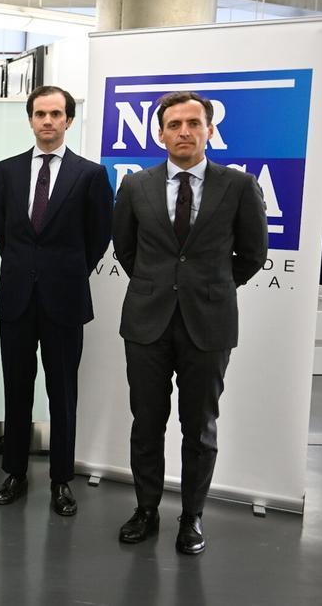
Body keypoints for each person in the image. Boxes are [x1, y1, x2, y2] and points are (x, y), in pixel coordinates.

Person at [113, 91, 267, 555]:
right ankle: (145, 509)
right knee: (147, 422)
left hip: (209, 323)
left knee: (199, 427)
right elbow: (126, 250)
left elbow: (253, 254)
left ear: (209, 131)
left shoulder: (238, 186)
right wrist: (159, 285)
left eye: (193, 123)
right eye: (174, 124)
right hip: (146, 322)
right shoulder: (136, 186)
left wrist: (209, 288)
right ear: (160, 133)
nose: (184, 131)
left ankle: (192, 517)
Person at [0, 86, 113, 516]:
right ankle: (15, 473)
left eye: (56, 114)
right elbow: (5, 234)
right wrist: (29, 270)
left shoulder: (90, 175)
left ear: (68, 121)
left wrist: (65, 271)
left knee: (62, 394)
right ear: (30, 120)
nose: (47, 121)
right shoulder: (6, 171)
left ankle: (62, 480)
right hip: (18, 299)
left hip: (64, 300)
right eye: (40, 113)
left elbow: (99, 237)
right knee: (17, 390)